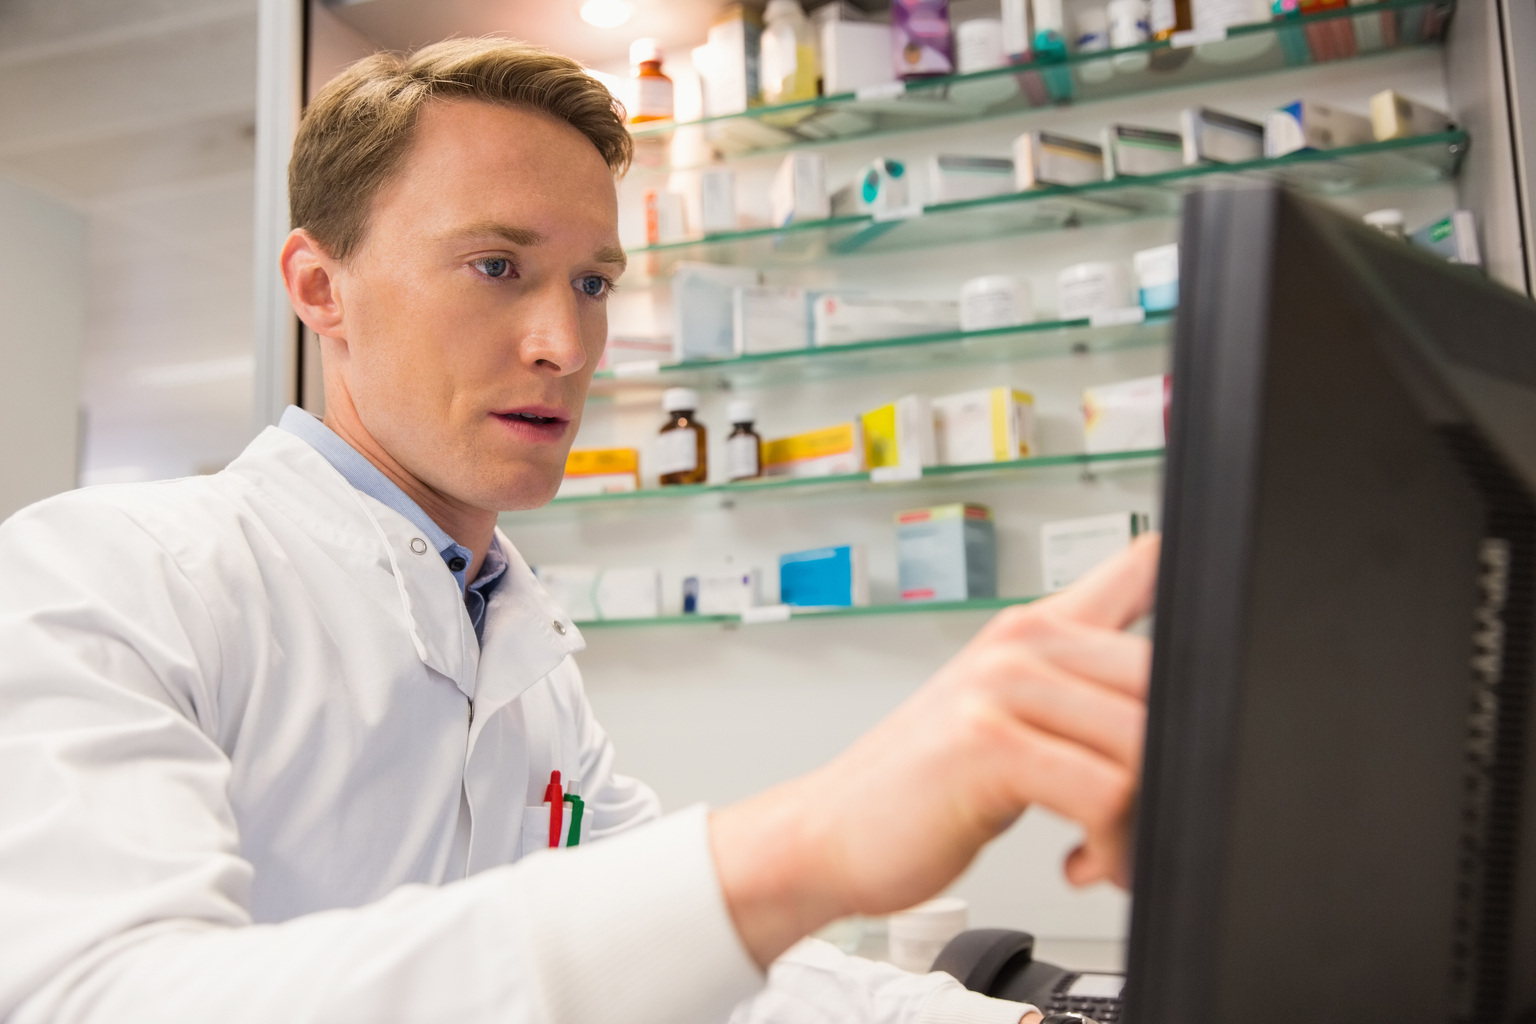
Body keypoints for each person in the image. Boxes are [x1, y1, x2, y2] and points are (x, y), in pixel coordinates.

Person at [0, 38, 1158, 1024]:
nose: (566, 343)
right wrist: (810, 840)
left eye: (594, 283)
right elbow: (110, 996)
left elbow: (701, 962)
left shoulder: (513, 639)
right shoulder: (107, 577)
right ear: (320, 286)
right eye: (496, 266)